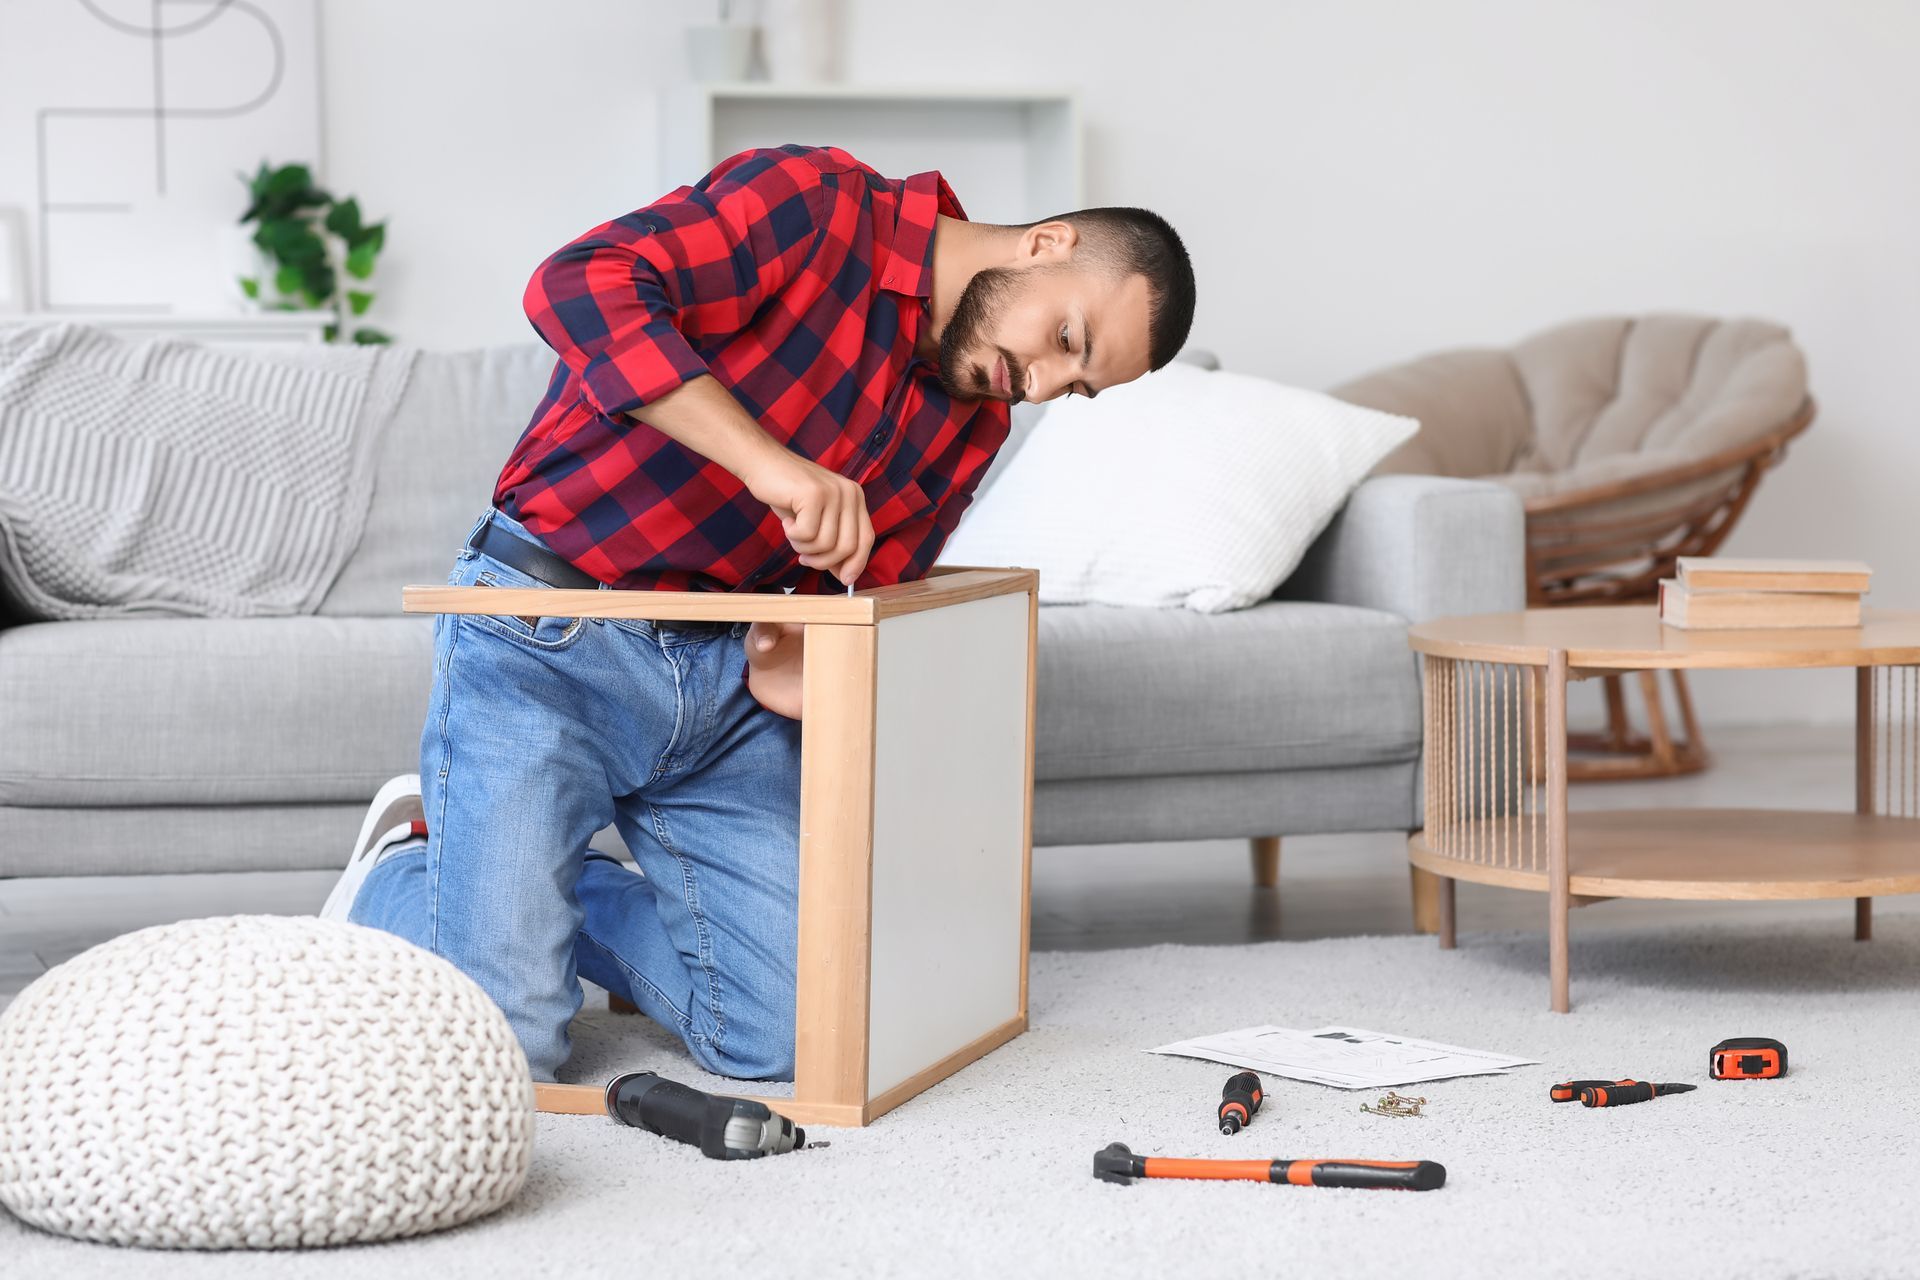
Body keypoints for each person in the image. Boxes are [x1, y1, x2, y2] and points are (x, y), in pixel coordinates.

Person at [320, 144, 1195, 1082]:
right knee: (512, 1055)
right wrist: (765, 461)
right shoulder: (822, 204)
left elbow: (852, 589)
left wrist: (807, 646)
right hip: (545, 635)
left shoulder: (974, 414)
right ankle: (403, 871)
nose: (1042, 387)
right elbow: (578, 285)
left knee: (788, 1032)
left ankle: (531, 892)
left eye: (1078, 387)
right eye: (1067, 343)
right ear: (1045, 245)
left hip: (719, 690)